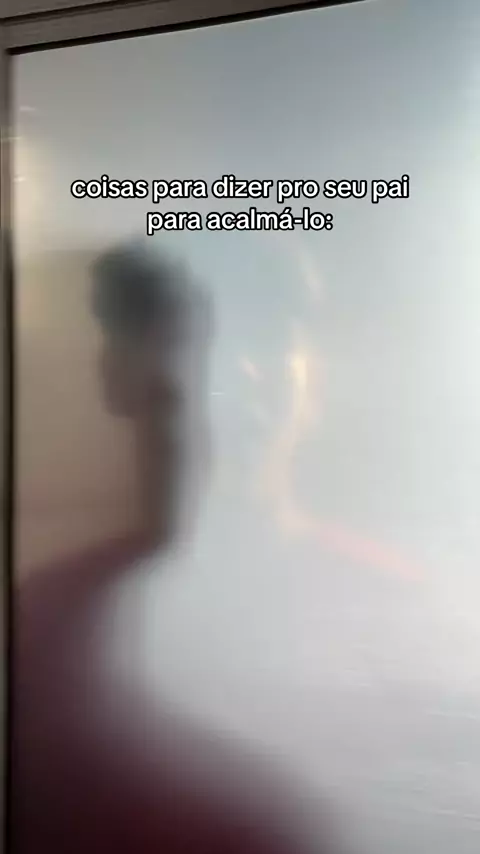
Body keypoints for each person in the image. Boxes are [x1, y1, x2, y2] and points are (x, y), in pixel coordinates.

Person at [12, 240, 341, 853]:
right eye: (187, 350)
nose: (230, 378)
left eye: (265, 336)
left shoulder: (398, 610)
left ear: (313, 382)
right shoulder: (40, 621)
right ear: (116, 377)